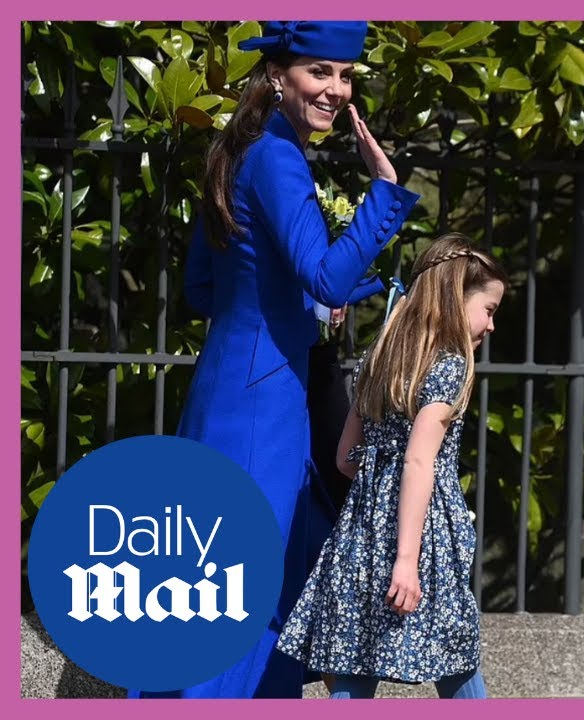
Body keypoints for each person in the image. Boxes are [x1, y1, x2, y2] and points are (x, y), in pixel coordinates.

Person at [142, 21, 421, 698]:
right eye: (319, 72)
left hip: (222, 394)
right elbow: (323, 278)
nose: (335, 89)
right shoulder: (279, 157)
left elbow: (204, 289)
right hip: (266, 405)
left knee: (223, 586)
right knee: (242, 591)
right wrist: (384, 192)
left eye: (345, 76)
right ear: (277, 76)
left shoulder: (234, 150)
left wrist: (336, 292)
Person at [277, 234, 506, 699]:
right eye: (489, 309)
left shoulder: (379, 362)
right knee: (456, 662)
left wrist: (377, 487)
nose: (491, 325)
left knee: (355, 663)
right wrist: (406, 558)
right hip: (421, 541)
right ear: (454, 300)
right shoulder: (449, 368)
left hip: (361, 535)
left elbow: (344, 458)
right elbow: (420, 460)